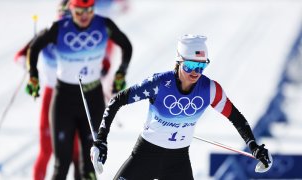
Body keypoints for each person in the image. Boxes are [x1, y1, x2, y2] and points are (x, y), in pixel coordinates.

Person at [91, 34, 272, 179]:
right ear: (179, 62)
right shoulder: (159, 83)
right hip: (145, 156)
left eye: (201, 67)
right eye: (190, 66)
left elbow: (235, 117)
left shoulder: (210, 89)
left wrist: (254, 146)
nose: (195, 73)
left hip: (177, 162)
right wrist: (101, 140)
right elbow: (117, 101)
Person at [25, 0, 132, 179]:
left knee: (90, 164)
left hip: (93, 99)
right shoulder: (59, 27)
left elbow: (126, 45)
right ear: (71, 9)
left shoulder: (103, 24)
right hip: (64, 99)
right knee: (62, 164)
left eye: (89, 10)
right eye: (79, 11)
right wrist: (33, 76)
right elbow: (34, 47)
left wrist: (121, 73)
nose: (84, 16)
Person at [14, 1, 82, 180]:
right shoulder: (48, 31)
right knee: (46, 150)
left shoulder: (79, 35)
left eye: (70, 14)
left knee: (76, 152)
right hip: (51, 94)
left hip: (73, 95)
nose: (65, 18)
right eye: (63, 14)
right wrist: (32, 73)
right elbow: (21, 56)